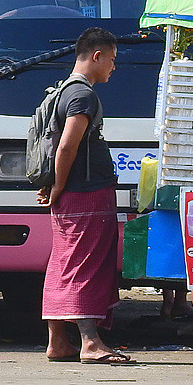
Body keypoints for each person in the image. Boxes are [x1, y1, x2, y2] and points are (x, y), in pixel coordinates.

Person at [39, 27, 134, 364]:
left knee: (64, 263)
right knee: (87, 265)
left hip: (71, 193)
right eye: (111, 59)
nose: (113, 66)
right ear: (96, 56)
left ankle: (58, 342)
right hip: (86, 194)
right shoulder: (83, 96)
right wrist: (60, 185)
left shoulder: (62, 91)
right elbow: (67, 145)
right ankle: (90, 342)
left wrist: (55, 183)